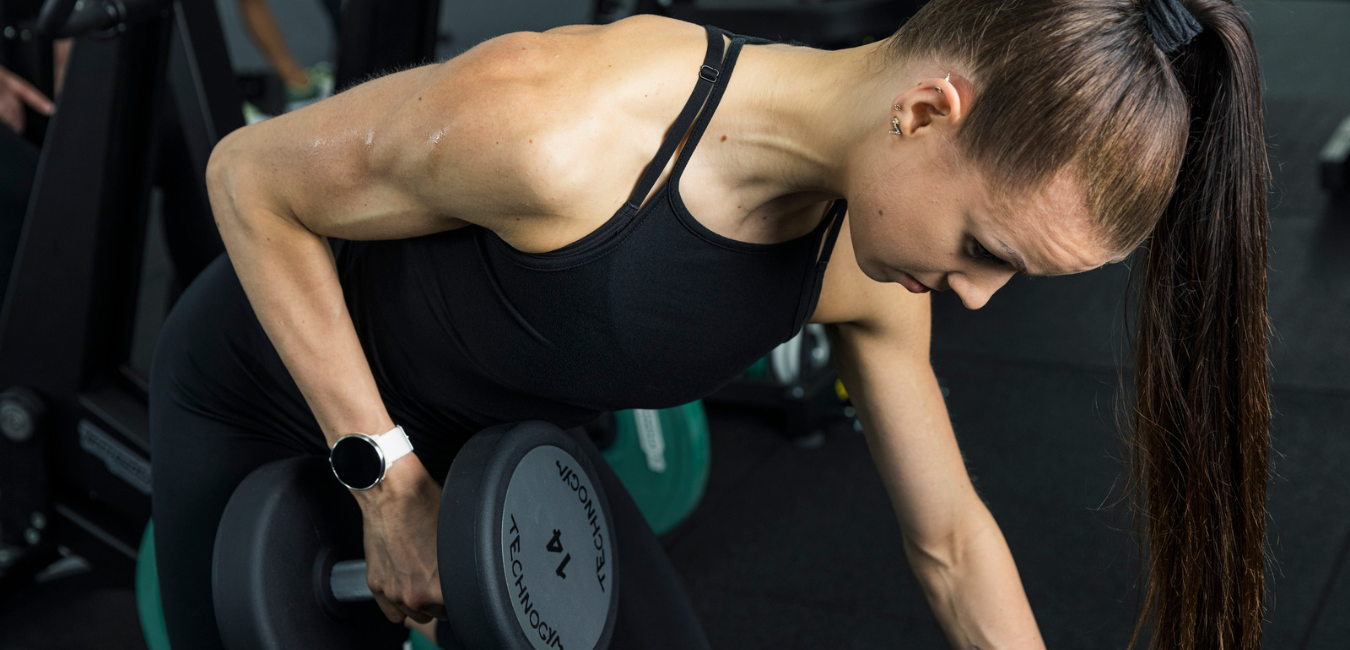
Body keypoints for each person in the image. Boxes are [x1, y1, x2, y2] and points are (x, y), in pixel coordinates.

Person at [151, 0, 1271, 648]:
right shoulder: (564, 128)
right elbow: (249, 177)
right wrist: (390, 486)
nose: (978, 296)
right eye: (986, 247)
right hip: (276, 394)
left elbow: (951, 540)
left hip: (493, 444)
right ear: (928, 112)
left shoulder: (866, 275)